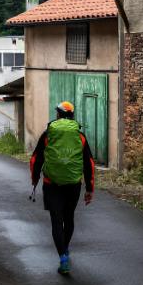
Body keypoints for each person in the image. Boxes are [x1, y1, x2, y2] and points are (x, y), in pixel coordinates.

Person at [30, 101, 95, 275]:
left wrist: (35, 179)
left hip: (52, 185)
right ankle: (65, 248)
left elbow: (36, 159)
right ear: (72, 116)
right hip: (73, 185)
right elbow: (89, 163)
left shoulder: (48, 133)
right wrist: (89, 188)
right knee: (69, 217)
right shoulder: (79, 136)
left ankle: (63, 258)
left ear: (58, 115)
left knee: (56, 221)